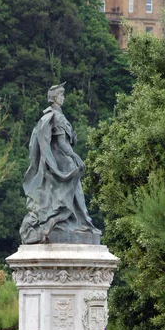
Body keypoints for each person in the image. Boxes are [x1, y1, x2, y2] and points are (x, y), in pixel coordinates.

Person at [20, 83, 101, 244]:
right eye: (61, 95)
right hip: (63, 162)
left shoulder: (55, 116)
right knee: (73, 192)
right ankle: (81, 223)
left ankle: (79, 222)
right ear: (55, 98)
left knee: (71, 193)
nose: (63, 97)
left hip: (59, 162)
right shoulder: (57, 116)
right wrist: (75, 156)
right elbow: (62, 144)